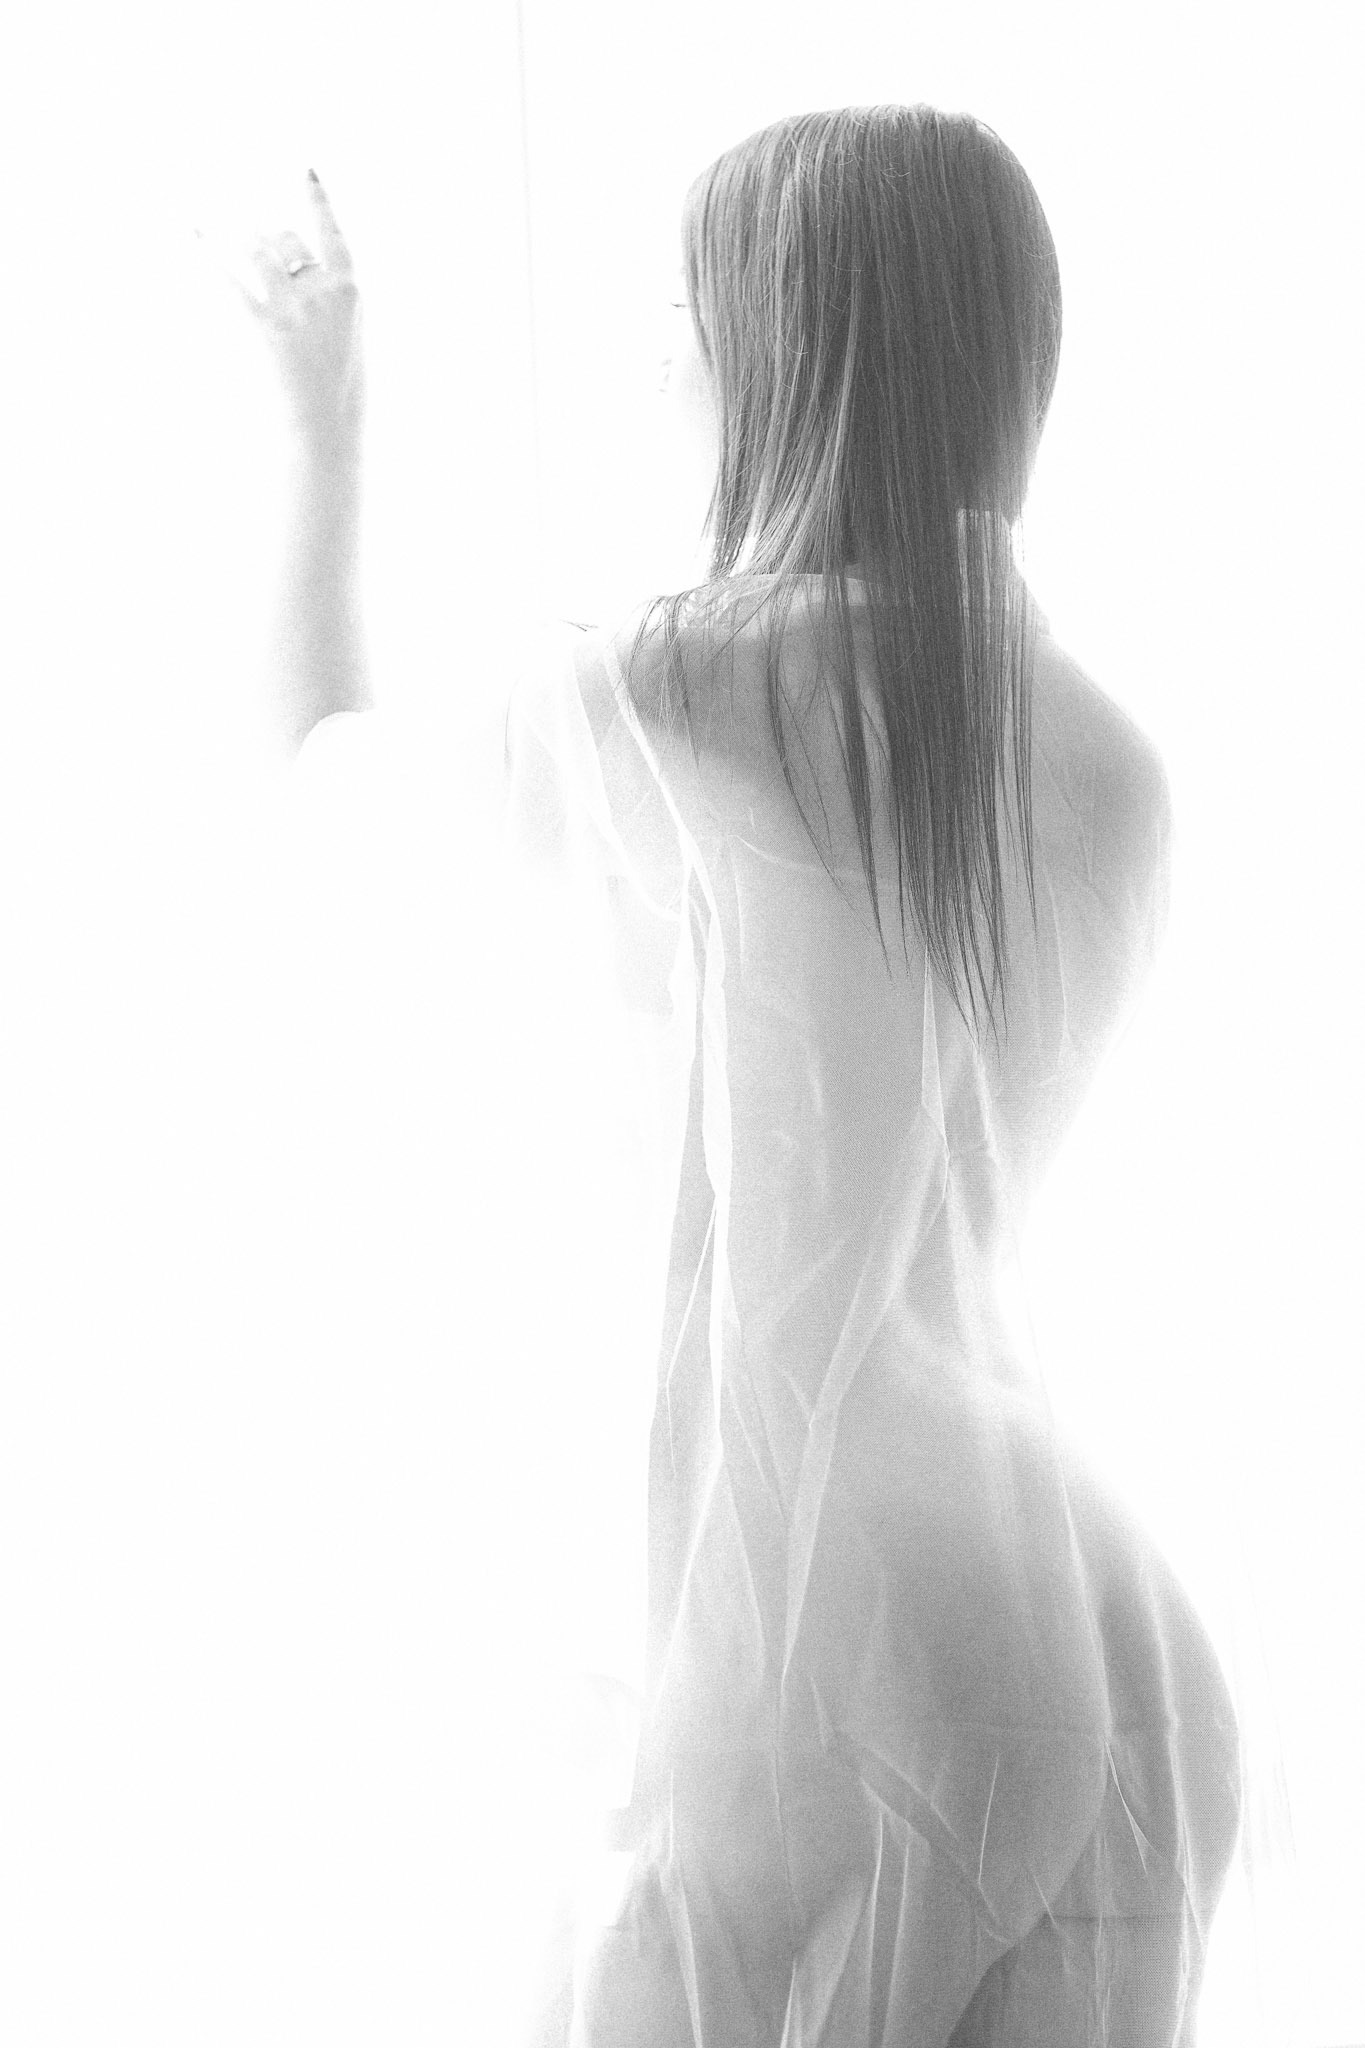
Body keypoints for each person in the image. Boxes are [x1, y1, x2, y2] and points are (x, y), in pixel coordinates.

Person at [207, 107, 1243, 2046]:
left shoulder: (667, 694)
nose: (655, 373)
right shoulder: (1114, 761)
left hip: (793, 1646)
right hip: (1095, 1649)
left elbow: (316, 786)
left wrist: (324, 429)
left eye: (677, 327)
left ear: (774, 362)